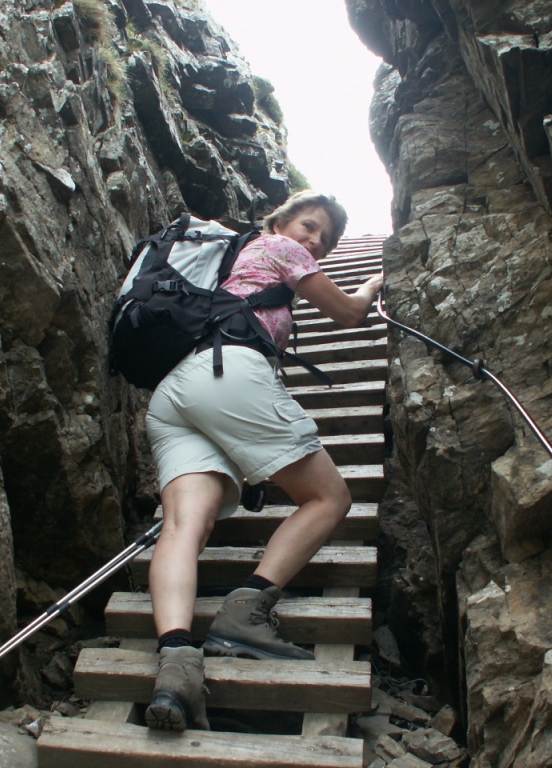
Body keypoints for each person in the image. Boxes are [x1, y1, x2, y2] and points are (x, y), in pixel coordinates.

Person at [141, 191, 384, 732]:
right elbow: (347, 312)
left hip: (176, 392)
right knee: (329, 498)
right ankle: (244, 615)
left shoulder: (237, 260)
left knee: (182, 526)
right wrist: (372, 285)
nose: (316, 240)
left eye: (327, 237)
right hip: (228, 373)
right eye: (309, 225)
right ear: (278, 221)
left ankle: (177, 663)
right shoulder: (278, 247)